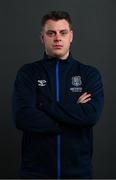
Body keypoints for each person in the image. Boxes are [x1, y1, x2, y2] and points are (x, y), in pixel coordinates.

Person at [13, 11, 104, 179]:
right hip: (35, 173)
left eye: (63, 32)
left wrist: (43, 105)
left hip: (79, 173)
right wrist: (73, 118)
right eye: (51, 33)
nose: (57, 38)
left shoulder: (89, 74)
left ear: (71, 36)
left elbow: (90, 116)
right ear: (42, 38)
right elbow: (22, 117)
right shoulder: (28, 73)